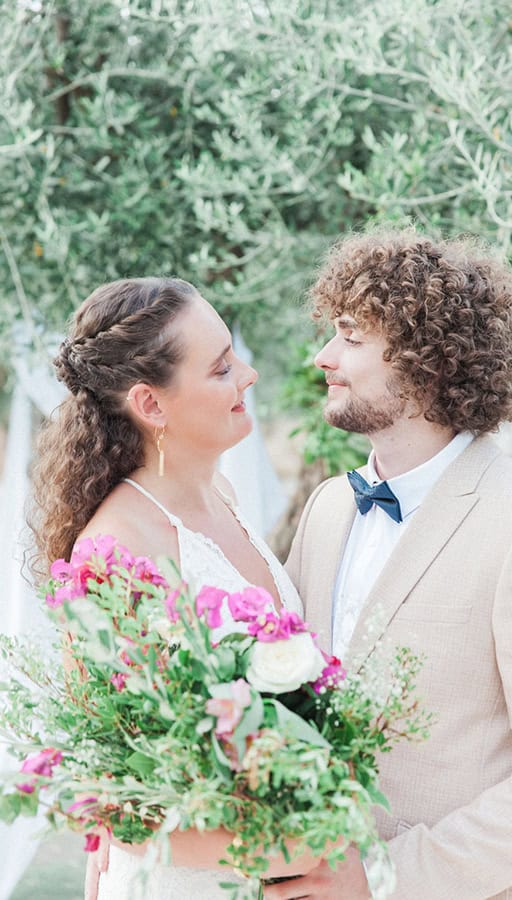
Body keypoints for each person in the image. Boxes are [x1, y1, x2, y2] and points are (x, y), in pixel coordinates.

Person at [275, 230, 512, 900]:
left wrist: (389, 877)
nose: (324, 357)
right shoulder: (330, 506)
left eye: (350, 336)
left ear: (428, 358)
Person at [31, 277, 316, 900]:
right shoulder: (114, 555)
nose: (249, 375)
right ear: (151, 405)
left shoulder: (224, 497)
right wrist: (305, 844)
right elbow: (115, 794)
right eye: (220, 369)